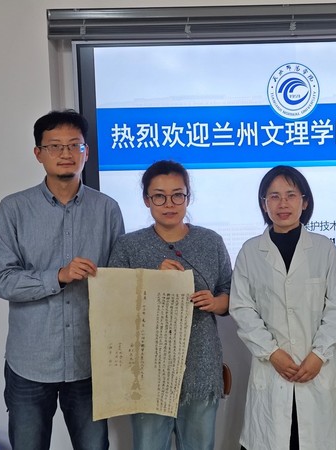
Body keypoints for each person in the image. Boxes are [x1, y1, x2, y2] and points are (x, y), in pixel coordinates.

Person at [0, 110, 125, 450]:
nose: (65, 153)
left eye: (74, 145)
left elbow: (119, 280)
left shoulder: (107, 209)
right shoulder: (13, 209)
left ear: (86, 152)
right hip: (30, 361)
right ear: (38, 153)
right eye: (54, 146)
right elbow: (2, 280)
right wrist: (58, 277)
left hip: (88, 361)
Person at [229, 165, 336, 450]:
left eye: (290, 195)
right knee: (275, 438)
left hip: (319, 369)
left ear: (305, 201)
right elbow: (242, 309)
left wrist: (318, 355)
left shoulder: (324, 249)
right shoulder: (250, 252)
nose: (283, 204)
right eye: (274, 196)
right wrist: (272, 353)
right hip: (272, 370)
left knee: (322, 438)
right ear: (264, 204)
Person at [107, 160, 231, 450]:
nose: (169, 204)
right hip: (148, 372)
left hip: (200, 366)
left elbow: (229, 292)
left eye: (178, 195)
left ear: (188, 197)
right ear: (146, 200)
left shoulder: (210, 241)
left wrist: (215, 302)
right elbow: (114, 304)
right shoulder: (128, 245)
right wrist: (154, 281)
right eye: (159, 196)